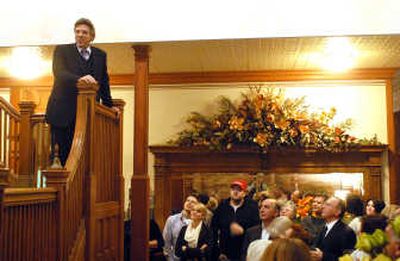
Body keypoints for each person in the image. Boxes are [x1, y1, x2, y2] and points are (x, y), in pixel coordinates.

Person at [46, 18, 114, 166]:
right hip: (62, 114)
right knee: (61, 158)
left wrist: (109, 105)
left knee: (85, 158)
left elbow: (103, 81)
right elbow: (59, 73)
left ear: (91, 36)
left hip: (87, 114)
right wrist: (80, 78)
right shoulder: (62, 50)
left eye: (84, 32)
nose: (80, 35)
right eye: (77, 32)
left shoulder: (100, 55)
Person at [211, 179, 259, 260]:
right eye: (233, 189)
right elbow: (213, 229)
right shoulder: (222, 206)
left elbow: (256, 228)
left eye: (239, 190)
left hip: (244, 251)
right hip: (225, 252)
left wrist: (243, 231)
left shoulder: (251, 207)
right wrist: (218, 251)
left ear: (244, 193)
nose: (235, 192)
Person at [310, 196, 356, 261]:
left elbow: (349, 259)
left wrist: (324, 256)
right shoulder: (323, 228)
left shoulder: (347, 232)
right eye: (324, 204)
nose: (323, 207)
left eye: (328, 205)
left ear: (338, 212)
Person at [163, 195, 199, 261]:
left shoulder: (199, 222)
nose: (189, 203)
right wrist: (170, 259)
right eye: (187, 200)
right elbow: (166, 242)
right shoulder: (172, 220)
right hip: (175, 258)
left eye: (193, 202)